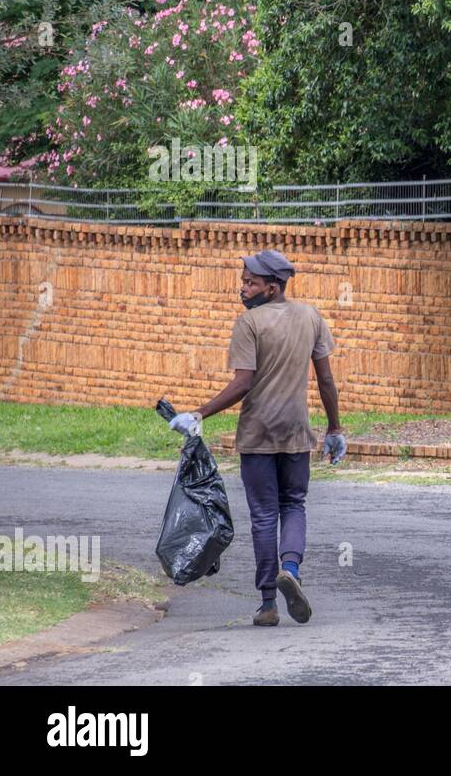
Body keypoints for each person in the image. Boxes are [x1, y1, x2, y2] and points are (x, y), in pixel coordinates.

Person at [168, 249, 346, 627]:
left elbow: (243, 383)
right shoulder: (311, 316)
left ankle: (268, 604)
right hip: (297, 432)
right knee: (294, 504)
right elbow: (326, 380)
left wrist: (198, 414)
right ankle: (291, 571)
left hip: (257, 434)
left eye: (250, 282)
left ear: (272, 286)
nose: (243, 288)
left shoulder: (248, 324)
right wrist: (334, 428)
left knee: (265, 516)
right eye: (244, 280)